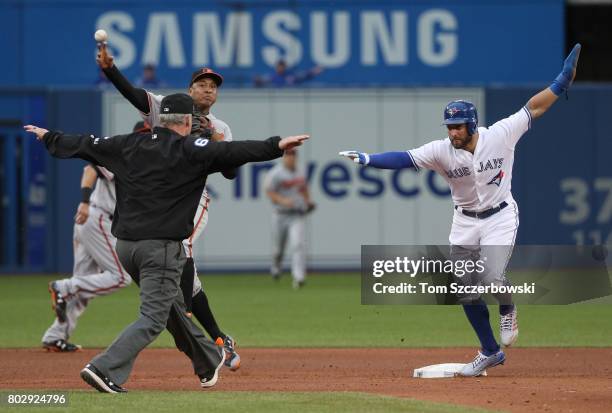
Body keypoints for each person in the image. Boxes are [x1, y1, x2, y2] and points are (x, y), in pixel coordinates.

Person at [24, 93, 309, 393]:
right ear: (187, 121)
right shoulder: (191, 149)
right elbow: (237, 152)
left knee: (171, 307)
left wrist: (50, 137)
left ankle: (208, 359)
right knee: (153, 318)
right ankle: (103, 368)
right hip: (159, 249)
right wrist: (276, 144)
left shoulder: (129, 144)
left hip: (126, 248)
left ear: (160, 120)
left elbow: (86, 144)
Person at [340, 44, 581, 377]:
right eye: (449, 127)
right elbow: (405, 158)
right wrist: (369, 159)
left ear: (472, 125)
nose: (452, 132)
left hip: (499, 216)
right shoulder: (441, 151)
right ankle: (490, 352)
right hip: (465, 221)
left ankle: (507, 307)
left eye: (458, 126)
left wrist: (560, 83)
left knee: (492, 278)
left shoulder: (500, 134)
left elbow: (533, 109)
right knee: (464, 289)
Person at [96, 42, 241, 370]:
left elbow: (231, 172)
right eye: (202, 84)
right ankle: (219, 338)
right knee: (185, 265)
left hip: (191, 197)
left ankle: (186, 313)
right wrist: (109, 70)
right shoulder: (167, 107)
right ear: (190, 89)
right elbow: (134, 95)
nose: (207, 90)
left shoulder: (221, 128)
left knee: (182, 246)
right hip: (162, 201)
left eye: (213, 87)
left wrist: (219, 143)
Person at [41, 122, 150, 352]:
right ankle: (63, 287)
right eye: (142, 134)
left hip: (95, 220)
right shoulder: (124, 156)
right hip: (97, 217)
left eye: (148, 134)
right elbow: (90, 169)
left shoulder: (147, 164)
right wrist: (83, 201)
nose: (145, 138)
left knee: (84, 283)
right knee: (120, 277)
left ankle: (55, 335)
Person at [264, 148, 315, 288]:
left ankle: (298, 277)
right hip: (280, 214)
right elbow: (269, 191)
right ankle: (276, 266)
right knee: (278, 249)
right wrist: (283, 201)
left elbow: (304, 189)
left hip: (296, 214)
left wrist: (309, 201)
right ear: (284, 157)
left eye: (293, 155)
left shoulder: (300, 171)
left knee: (298, 244)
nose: (291, 158)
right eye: (288, 155)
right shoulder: (275, 173)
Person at [254, 59, 323, 87]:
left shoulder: (290, 75)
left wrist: (314, 71)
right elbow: (262, 81)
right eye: (279, 67)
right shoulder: (272, 76)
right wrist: (258, 80)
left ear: (285, 67)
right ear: (276, 67)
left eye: (282, 67)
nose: (280, 69)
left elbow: (304, 75)